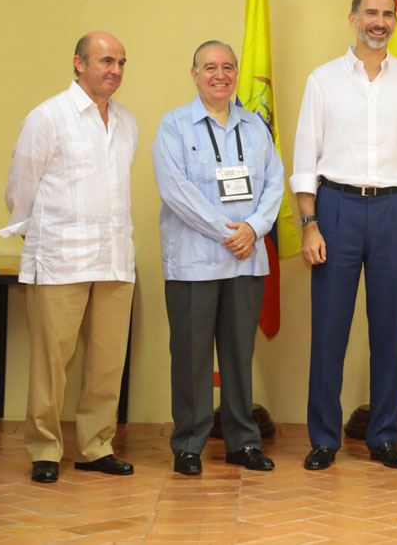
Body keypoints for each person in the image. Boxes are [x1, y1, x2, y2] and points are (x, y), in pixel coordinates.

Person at [291, 0, 397, 470]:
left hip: (396, 212)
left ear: (395, 21)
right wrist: (309, 225)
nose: (380, 21)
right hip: (336, 209)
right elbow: (304, 160)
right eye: (370, 13)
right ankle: (324, 439)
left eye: (388, 14)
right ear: (352, 17)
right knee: (329, 330)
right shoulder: (324, 80)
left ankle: (383, 436)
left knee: (390, 332)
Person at [0, 31, 137, 484]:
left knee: (106, 362)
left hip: (114, 258)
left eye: (119, 62)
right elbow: (22, 184)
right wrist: (30, 232)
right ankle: (44, 448)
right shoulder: (48, 117)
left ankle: (95, 447)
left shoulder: (127, 122)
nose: (114, 70)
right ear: (79, 63)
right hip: (60, 257)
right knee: (50, 362)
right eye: (104, 61)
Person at [152, 41, 284, 475]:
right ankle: (188, 444)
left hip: (246, 261)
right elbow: (176, 192)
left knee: (237, 356)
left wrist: (254, 228)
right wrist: (228, 232)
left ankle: (242, 441)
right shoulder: (175, 126)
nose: (220, 75)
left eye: (228, 67)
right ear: (194, 74)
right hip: (194, 262)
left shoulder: (255, 127)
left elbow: (274, 183)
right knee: (191, 357)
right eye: (210, 67)